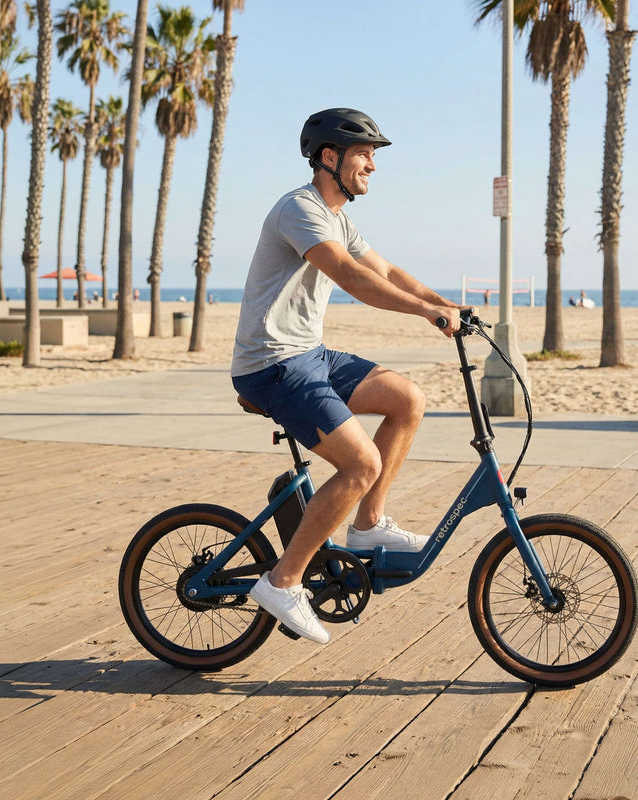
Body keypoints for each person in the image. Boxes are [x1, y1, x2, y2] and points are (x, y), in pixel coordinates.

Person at [231, 108, 463, 644]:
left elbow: (384, 270)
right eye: (364, 154)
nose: (373, 165)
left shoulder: (338, 216)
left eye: (374, 156)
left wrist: (444, 302)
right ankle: (282, 581)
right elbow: (352, 277)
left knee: (407, 399)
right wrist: (423, 313)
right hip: (272, 364)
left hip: (308, 354)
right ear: (329, 158)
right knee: (361, 464)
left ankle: (367, 526)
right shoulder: (299, 209)